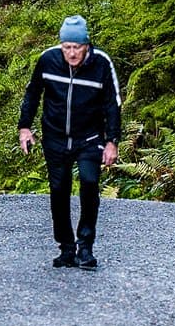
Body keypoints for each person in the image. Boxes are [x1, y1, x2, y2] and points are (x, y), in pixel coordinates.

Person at [17, 15, 122, 270]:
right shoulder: (48, 60)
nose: (71, 53)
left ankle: (85, 247)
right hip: (55, 136)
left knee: (89, 182)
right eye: (67, 47)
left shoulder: (101, 63)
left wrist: (112, 141)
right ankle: (66, 248)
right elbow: (32, 93)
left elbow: (113, 104)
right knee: (59, 189)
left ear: (86, 45)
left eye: (76, 47)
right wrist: (24, 127)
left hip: (89, 137)